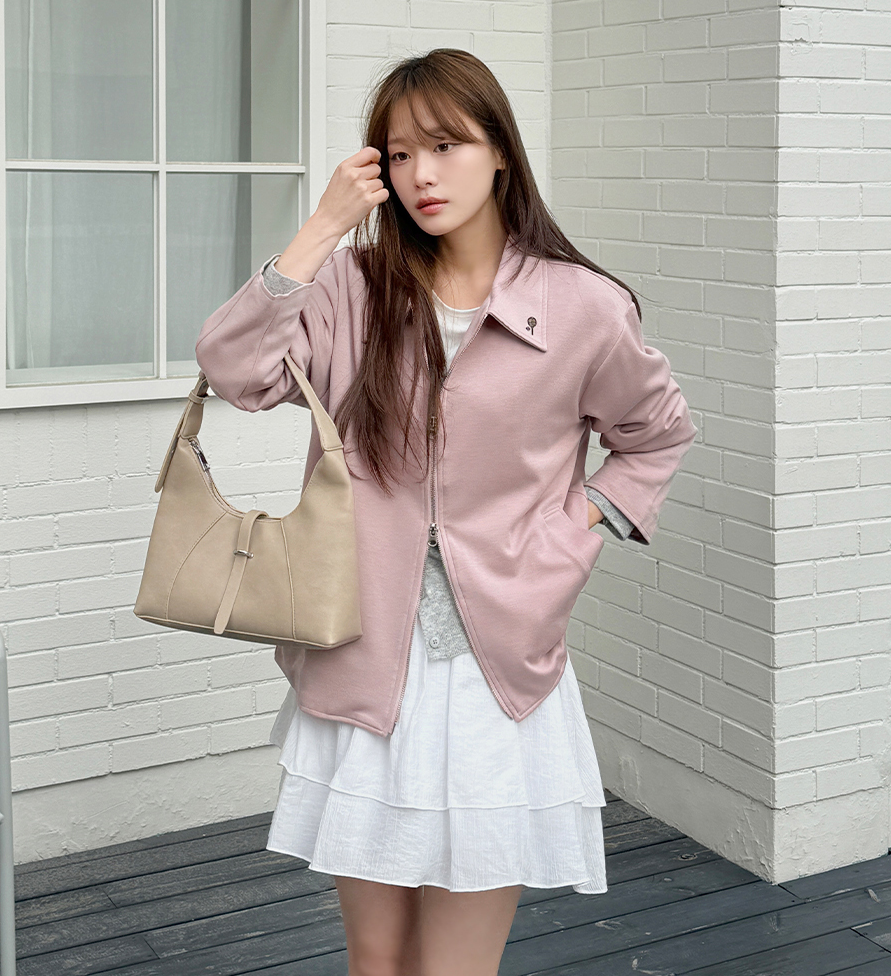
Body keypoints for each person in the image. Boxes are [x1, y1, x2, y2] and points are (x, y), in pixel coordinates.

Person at [195, 48, 698, 976]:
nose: (420, 174)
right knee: (376, 962)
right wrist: (322, 228)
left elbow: (656, 436)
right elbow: (236, 372)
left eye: (444, 145)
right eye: (397, 154)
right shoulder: (351, 288)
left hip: (497, 673)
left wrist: (574, 528)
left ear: (500, 149)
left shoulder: (584, 307)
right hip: (360, 658)